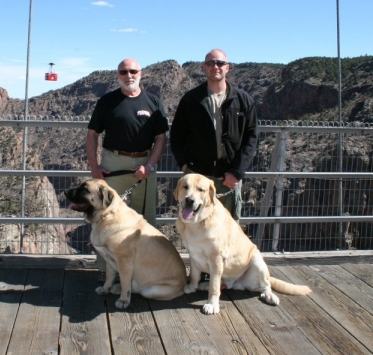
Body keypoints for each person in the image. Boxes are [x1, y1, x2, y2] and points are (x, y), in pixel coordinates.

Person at [86, 58, 169, 280]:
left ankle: (145, 269)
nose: (128, 75)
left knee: (145, 220)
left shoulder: (153, 102)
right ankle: (106, 271)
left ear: (141, 74)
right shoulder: (107, 102)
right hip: (113, 163)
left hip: (144, 165)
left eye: (133, 71)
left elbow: (161, 138)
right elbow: (93, 134)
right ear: (118, 75)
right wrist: (94, 166)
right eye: (124, 71)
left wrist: (150, 165)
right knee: (106, 218)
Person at [170, 49, 258, 221]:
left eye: (220, 63)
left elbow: (251, 138)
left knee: (227, 228)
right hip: (198, 177)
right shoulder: (191, 99)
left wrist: (237, 173)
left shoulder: (243, 100)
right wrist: (184, 165)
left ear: (228, 68)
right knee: (196, 226)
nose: (215, 66)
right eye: (210, 63)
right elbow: (177, 135)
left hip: (228, 178)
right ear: (204, 67)